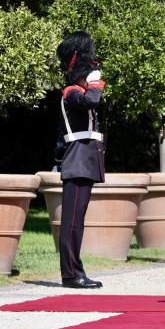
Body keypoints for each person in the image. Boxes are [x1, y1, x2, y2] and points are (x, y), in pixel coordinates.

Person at [55, 31, 106, 289]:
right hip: (77, 160)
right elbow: (92, 100)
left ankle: (75, 271)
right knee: (72, 222)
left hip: (86, 160)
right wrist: (95, 82)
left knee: (77, 221)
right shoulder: (71, 92)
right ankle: (71, 274)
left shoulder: (78, 90)